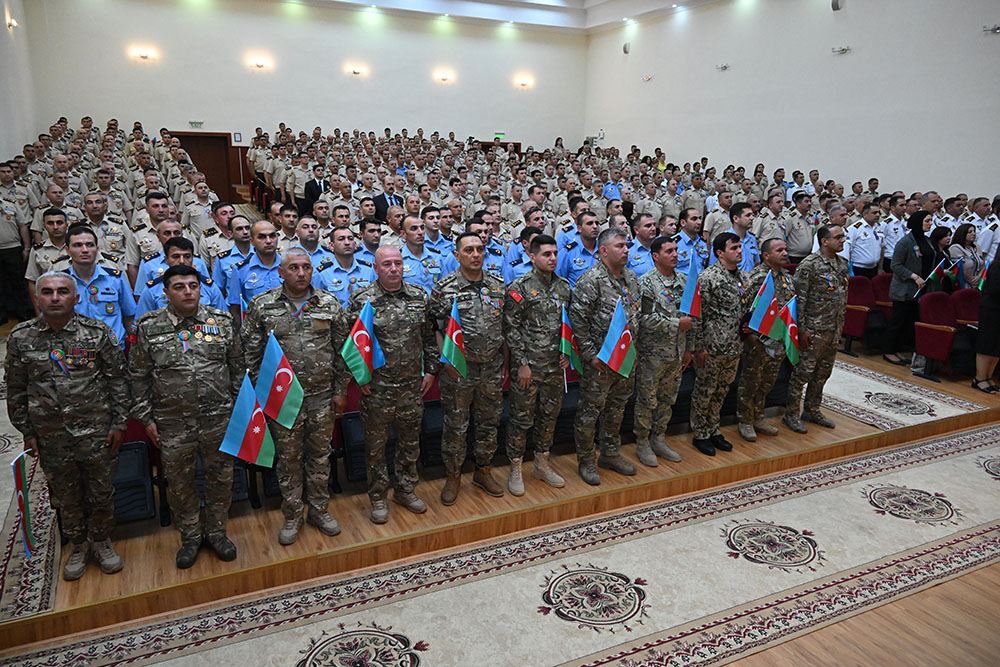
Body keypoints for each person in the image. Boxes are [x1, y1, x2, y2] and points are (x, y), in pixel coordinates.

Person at [5, 272, 128, 581]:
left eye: (62, 292)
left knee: (101, 491)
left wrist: (120, 423)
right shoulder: (21, 338)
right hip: (51, 435)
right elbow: (16, 390)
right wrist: (27, 432)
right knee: (65, 494)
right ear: (37, 298)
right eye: (47, 292)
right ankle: (78, 543)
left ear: (77, 298)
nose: (55, 297)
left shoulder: (97, 333)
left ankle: (101, 540)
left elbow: (118, 381)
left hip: (96, 430)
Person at [129, 265, 242, 568]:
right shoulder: (148, 326)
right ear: (165, 293)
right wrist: (147, 419)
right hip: (172, 423)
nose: (188, 292)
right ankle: (191, 537)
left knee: (221, 479)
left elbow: (237, 368)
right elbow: (138, 377)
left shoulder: (221, 322)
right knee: (180, 484)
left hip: (218, 419)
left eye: (193, 285)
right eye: (179, 287)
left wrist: (235, 410)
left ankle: (218, 532)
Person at [242, 248, 350, 545]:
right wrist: (262, 395)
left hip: (321, 396)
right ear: (280, 272)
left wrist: (340, 391)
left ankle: (319, 510)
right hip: (281, 399)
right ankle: (292, 515)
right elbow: (250, 354)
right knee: (288, 460)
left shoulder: (328, 303)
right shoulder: (262, 306)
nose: (301, 273)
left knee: (320, 457)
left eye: (306, 267)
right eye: (293, 268)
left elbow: (343, 352)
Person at [347, 246, 439, 524]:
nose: (393, 268)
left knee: (409, 443)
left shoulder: (419, 297)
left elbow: (428, 338)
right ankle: (377, 496)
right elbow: (353, 343)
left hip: (412, 386)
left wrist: (431, 372)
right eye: (386, 264)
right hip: (378, 389)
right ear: (375, 268)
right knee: (375, 447)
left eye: (398, 263)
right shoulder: (362, 300)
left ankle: (405, 490)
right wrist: (361, 377)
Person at [430, 232, 508, 504]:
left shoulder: (498, 285)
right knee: (456, 427)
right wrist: (446, 361)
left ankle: (483, 471)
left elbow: (505, 328)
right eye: (469, 250)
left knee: (488, 424)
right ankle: (453, 477)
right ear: (457, 255)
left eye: (479, 249)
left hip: (491, 368)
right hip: (459, 370)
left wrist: (505, 364)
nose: (475, 254)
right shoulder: (445, 288)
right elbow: (436, 329)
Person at [568, 228, 641, 485]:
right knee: (590, 413)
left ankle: (610, 453)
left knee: (616, 409)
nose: (625, 250)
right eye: (619, 246)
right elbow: (578, 322)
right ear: (603, 251)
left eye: (627, 246)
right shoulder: (590, 281)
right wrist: (590, 356)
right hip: (599, 362)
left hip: (625, 360)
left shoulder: (631, 278)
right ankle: (587, 460)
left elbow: (635, 316)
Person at [501, 234, 570, 494]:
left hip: (554, 367)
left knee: (548, 417)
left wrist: (567, 353)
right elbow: (511, 327)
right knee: (521, 420)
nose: (552, 258)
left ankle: (541, 463)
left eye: (554, 253)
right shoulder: (519, 287)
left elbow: (566, 325)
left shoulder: (563, 287)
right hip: (529, 369)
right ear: (532, 256)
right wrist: (522, 363)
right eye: (546, 254)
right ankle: (516, 466)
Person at [782, 224, 848, 433]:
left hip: (833, 328)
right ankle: (791, 415)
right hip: (813, 329)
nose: (842, 240)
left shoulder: (842, 264)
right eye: (838, 237)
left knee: (823, 373)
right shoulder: (809, 265)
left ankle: (812, 409)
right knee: (802, 373)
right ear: (824, 241)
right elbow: (798, 300)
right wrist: (802, 329)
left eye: (843, 237)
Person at [633, 236, 692, 465]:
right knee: (647, 401)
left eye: (676, 250)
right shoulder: (646, 283)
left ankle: (659, 437)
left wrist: (691, 348)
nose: (675, 254)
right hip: (653, 355)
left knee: (667, 400)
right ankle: (642, 442)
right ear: (656, 256)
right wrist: (676, 324)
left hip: (677, 353)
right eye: (669, 251)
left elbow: (692, 317)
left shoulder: (685, 281)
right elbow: (645, 319)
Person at [689, 232, 749, 456]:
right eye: (734, 248)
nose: (740, 251)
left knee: (722, 390)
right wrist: (699, 347)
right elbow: (697, 316)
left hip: (734, 345)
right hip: (712, 346)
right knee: (705, 390)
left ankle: (713, 428)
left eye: (740, 247)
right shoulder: (708, 278)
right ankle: (700, 433)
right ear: (720, 253)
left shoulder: (744, 277)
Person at [737, 238, 795, 441]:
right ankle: (745, 420)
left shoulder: (786, 277)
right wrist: (750, 335)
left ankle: (758, 416)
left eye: (785, 249)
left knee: (767, 381)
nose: (785, 253)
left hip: (778, 339)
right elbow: (745, 311)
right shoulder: (756, 277)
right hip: (758, 340)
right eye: (779, 250)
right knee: (751, 381)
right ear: (766, 255)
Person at [63, 224, 136, 346]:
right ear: (67, 250)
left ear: (97, 249)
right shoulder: (61, 281)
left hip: (113, 352)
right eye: (78, 245)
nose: (85, 250)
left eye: (90, 245)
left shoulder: (115, 278)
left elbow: (129, 317)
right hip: (74, 352)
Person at [882, 211, 934, 369]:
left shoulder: (926, 240)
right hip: (904, 289)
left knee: (909, 322)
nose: (930, 223)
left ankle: (898, 349)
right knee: (898, 321)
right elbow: (895, 265)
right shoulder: (905, 242)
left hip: (921, 289)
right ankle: (888, 350)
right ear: (918, 222)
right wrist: (913, 276)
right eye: (927, 221)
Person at [135, 237, 226, 317]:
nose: (182, 261)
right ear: (166, 260)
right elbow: (141, 324)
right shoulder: (152, 290)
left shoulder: (209, 287)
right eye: (176, 256)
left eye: (187, 256)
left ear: (192, 259)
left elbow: (223, 320)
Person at [227, 220, 282, 325]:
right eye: (262, 237)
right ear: (252, 241)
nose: (269, 241)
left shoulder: (288, 266)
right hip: (255, 332)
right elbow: (236, 306)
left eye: (272, 236)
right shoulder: (240, 270)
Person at [973, 259, 1000, 393]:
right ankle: (980, 378)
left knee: (997, 346)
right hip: (991, 310)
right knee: (987, 344)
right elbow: (995, 290)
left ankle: (988, 377)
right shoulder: (997, 266)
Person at [949, 223, 984, 288]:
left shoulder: (977, 247)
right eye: (970, 232)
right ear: (963, 234)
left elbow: (983, 264)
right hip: (962, 284)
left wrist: (979, 277)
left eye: (974, 231)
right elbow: (961, 267)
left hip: (979, 283)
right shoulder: (956, 248)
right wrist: (972, 281)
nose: (974, 234)